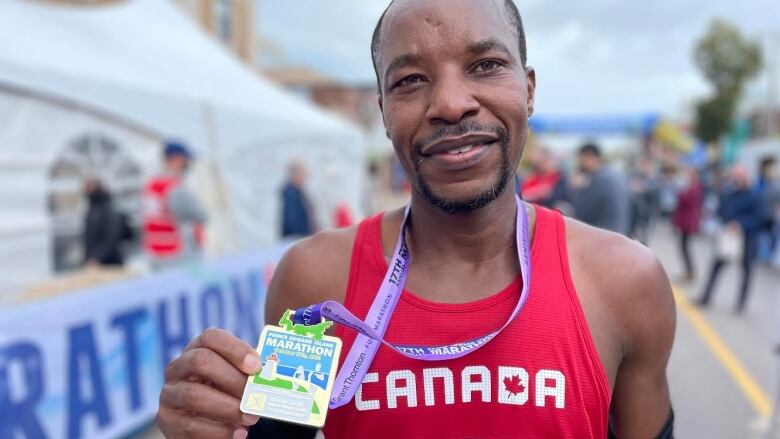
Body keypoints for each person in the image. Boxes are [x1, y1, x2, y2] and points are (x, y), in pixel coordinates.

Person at [157, 1, 675, 438]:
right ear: (383, 112)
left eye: (486, 65)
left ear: (529, 88)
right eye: (410, 80)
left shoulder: (624, 281)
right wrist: (212, 422)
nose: (450, 104)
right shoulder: (316, 281)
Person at [699, 165, 764, 313]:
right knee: (716, 266)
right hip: (728, 238)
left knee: (746, 272)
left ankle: (741, 304)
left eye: (738, 176)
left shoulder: (755, 195)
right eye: (734, 176)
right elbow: (722, 210)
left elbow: (758, 218)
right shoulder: (728, 193)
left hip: (747, 239)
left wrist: (740, 224)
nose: (736, 179)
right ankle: (706, 296)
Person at [142, 140, 207, 269]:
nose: (188, 164)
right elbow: (201, 215)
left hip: (157, 254)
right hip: (180, 256)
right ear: (176, 159)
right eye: (186, 159)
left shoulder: (152, 185)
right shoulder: (175, 187)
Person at [570, 142, 632, 235]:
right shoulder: (618, 175)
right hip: (622, 232)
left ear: (589, 157)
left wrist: (577, 189)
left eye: (581, 160)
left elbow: (581, 213)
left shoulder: (597, 181)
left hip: (605, 236)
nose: (580, 164)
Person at [82, 178, 124, 267]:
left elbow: (111, 237)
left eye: (89, 187)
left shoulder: (108, 208)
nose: (86, 190)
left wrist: (97, 258)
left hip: (111, 262)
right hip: (94, 261)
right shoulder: (92, 208)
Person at [671, 166, 703, 282]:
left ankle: (690, 271)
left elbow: (685, 199)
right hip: (686, 221)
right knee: (684, 247)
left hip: (688, 222)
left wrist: (681, 192)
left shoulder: (694, 188)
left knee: (685, 247)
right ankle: (689, 271)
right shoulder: (692, 187)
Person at [628, 155, 659, 244]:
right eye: (643, 165)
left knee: (643, 240)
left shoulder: (654, 180)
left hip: (647, 215)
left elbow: (655, 196)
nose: (644, 167)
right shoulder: (636, 176)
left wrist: (643, 188)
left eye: (647, 165)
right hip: (634, 213)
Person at [281, 160, 316, 238]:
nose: (305, 177)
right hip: (297, 238)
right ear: (296, 174)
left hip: (303, 237)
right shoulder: (290, 193)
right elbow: (292, 219)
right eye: (303, 174)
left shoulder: (300, 191)